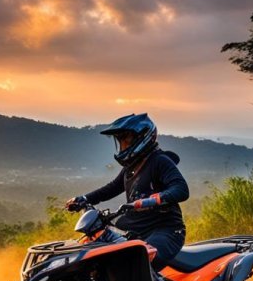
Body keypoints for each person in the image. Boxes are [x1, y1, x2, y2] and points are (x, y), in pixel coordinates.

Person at [66, 113, 189, 269]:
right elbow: (111, 188)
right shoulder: (130, 168)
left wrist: (154, 199)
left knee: (141, 262)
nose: (123, 145)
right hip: (135, 230)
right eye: (120, 141)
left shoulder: (160, 161)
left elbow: (181, 189)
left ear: (142, 137)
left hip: (165, 231)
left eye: (126, 139)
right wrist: (83, 198)